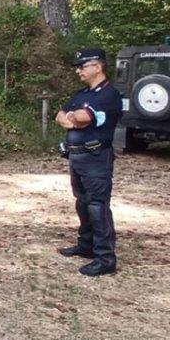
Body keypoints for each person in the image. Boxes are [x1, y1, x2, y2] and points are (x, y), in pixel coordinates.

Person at [55, 48, 123, 277]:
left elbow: (83, 117)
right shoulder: (82, 95)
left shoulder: (109, 95)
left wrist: (75, 117)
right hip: (77, 156)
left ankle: (105, 257)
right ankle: (86, 246)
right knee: (82, 203)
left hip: (96, 158)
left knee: (97, 205)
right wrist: (74, 119)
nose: (78, 71)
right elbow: (60, 116)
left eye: (82, 66)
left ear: (97, 66)